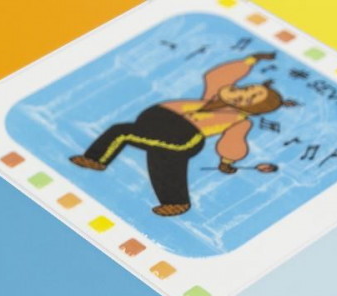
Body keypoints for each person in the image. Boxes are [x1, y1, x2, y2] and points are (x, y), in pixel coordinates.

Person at [70, 51, 295, 216]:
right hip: (158, 122)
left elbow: (233, 142)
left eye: (249, 99)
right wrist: (250, 61)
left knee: (125, 133)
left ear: (251, 110)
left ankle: (96, 160)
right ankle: (176, 201)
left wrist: (227, 161)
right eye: (246, 89)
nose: (241, 94)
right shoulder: (213, 96)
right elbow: (218, 77)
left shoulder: (238, 120)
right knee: (160, 158)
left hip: (183, 135)